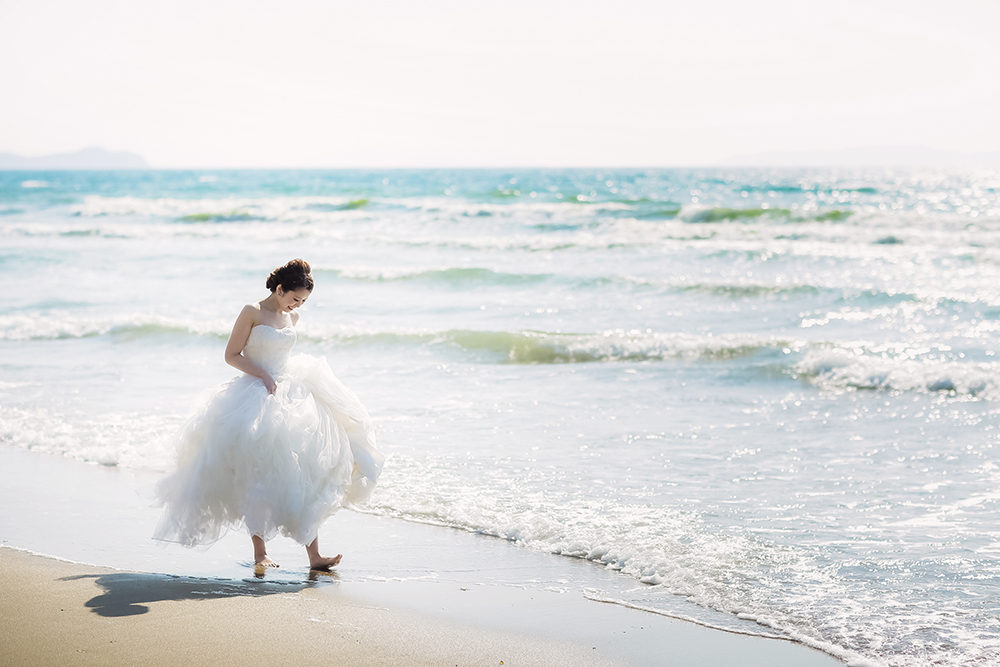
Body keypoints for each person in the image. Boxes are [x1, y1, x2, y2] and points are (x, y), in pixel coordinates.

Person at [153, 259, 383, 571]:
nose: (297, 305)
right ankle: (260, 551)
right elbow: (231, 355)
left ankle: (314, 556)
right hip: (253, 394)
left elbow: (283, 355)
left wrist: (285, 381)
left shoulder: (294, 316)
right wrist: (262, 376)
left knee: (305, 472)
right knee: (256, 472)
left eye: (303, 301)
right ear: (279, 289)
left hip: (290, 395)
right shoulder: (252, 311)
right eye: (295, 298)